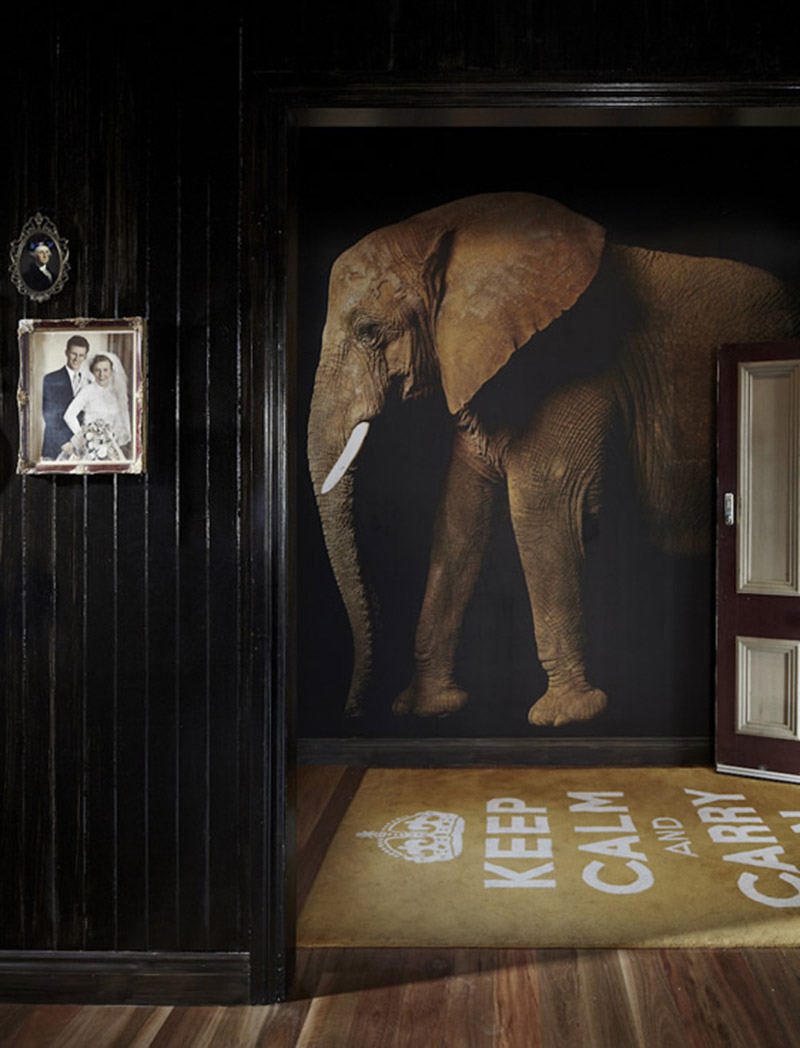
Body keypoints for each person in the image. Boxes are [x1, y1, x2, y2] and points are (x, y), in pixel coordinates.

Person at [60, 351, 132, 461]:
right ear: (92, 372)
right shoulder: (87, 391)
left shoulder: (115, 394)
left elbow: (118, 422)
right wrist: (84, 436)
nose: (102, 375)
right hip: (89, 446)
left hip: (110, 446)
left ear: (111, 371)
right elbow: (68, 415)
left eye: (105, 370)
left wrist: (113, 439)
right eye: (97, 370)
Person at [41, 334, 90, 459]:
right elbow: (49, 414)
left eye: (81, 355)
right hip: (56, 444)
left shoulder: (89, 382)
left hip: (80, 445)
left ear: (85, 357)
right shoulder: (51, 379)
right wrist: (62, 441)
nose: (76, 359)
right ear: (66, 353)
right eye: (73, 354)